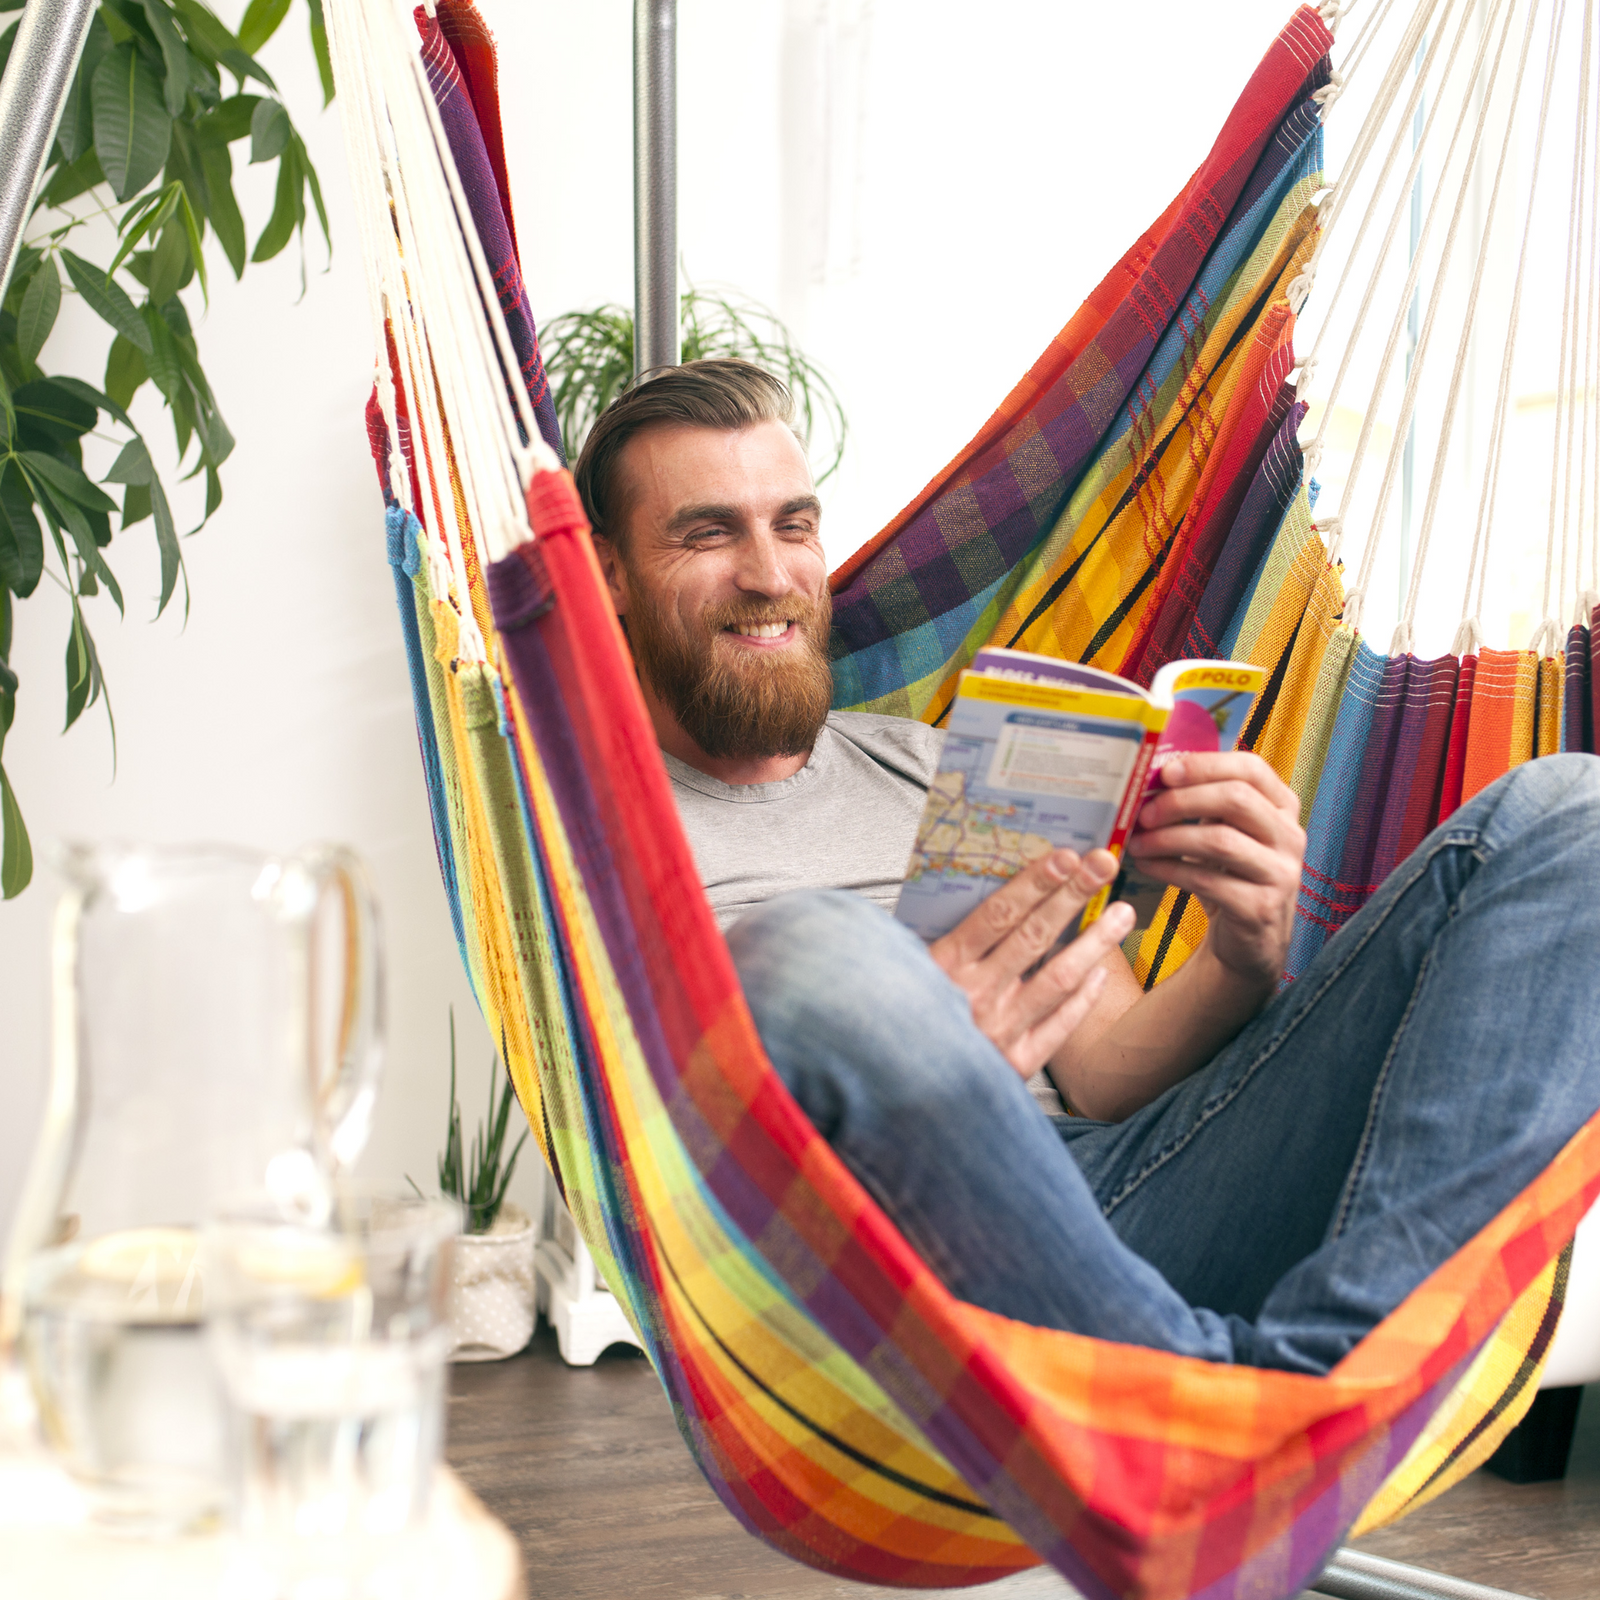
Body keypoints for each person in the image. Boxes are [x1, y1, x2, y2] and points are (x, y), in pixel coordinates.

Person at [573, 357, 1600, 1375]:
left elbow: (1106, 1074)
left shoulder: (935, 765)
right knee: (813, 948)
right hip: (879, 1268)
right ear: (609, 571)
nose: (768, 574)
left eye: (793, 525)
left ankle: (1330, 1388)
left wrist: (1242, 952)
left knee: (1572, 812)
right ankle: (1235, 1408)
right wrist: (918, 1059)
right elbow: (673, 1170)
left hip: (1122, 1201)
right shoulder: (587, 838)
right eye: (708, 533)